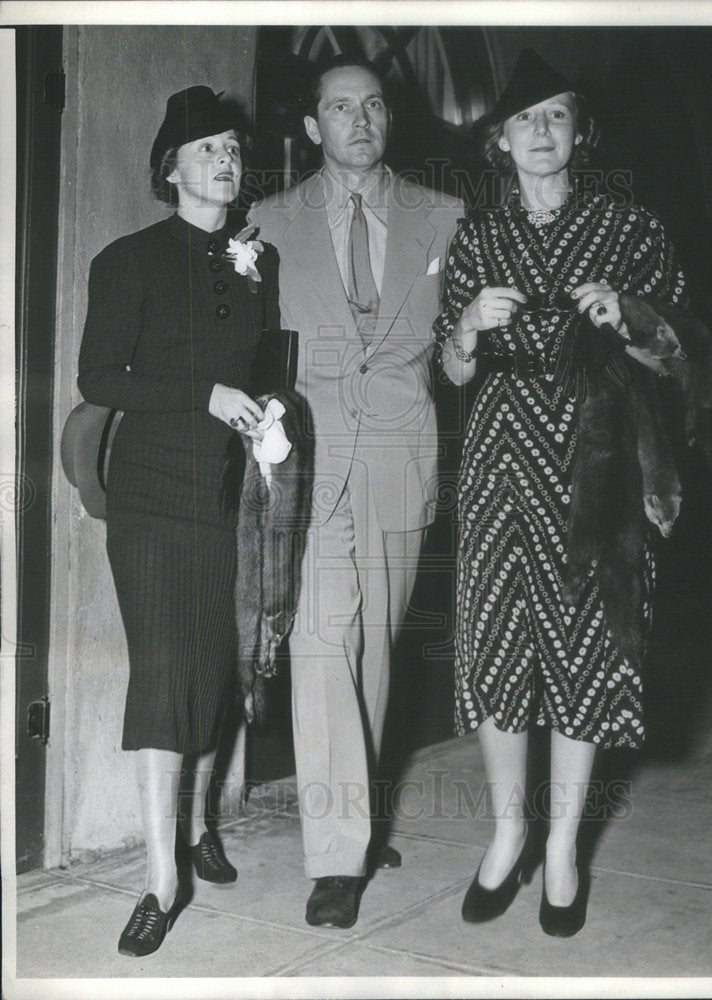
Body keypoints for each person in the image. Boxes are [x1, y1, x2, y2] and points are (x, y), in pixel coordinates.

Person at [434, 49, 689, 936]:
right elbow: (452, 369)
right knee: (501, 648)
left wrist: (634, 318)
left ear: (578, 131)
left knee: (582, 651)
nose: (540, 133)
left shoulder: (631, 231)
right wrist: (466, 325)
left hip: (597, 467)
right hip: (501, 464)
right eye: (523, 121)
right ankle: (507, 833)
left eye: (555, 116)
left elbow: (681, 355)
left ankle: (562, 849)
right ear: (499, 143)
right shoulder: (475, 238)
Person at [248, 54, 465, 929]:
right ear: (312, 128)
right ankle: (336, 856)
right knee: (317, 640)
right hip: (309, 458)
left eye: (373, 105)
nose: (361, 120)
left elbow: (456, 354)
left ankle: (360, 819)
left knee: (372, 648)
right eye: (341, 107)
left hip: (399, 457)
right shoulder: (264, 222)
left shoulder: (443, 216)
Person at [78, 86, 279, 956]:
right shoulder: (127, 259)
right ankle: (162, 877)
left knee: (214, 664)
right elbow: (100, 380)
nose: (225, 161)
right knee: (164, 670)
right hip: (154, 497)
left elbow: (259, 366)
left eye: (232, 148)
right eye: (207, 149)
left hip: (227, 495)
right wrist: (204, 395)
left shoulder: (253, 262)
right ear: (171, 168)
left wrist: (267, 415)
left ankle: (198, 822)